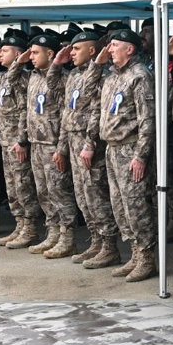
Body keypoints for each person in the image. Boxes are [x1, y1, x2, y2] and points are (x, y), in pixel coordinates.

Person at [99, 28, 157, 282]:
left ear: (129, 49)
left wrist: (141, 155)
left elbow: (147, 118)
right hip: (112, 148)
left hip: (130, 149)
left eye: (114, 45)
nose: (109, 50)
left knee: (136, 205)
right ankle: (134, 252)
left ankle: (147, 257)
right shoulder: (112, 77)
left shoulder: (140, 75)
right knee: (120, 205)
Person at [57, 28, 119, 266]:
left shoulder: (103, 77)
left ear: (92, 51)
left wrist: (90, 142)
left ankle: (109, 246)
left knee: (96, 195)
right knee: (83, 196)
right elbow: (67, 110)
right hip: (73, 141)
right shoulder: (73, 75)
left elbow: (95, 111)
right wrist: (62, 146)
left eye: (76, 49)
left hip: (88, 143)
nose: (71, 53)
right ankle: (95, 242)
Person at [0, 30, 44, 246]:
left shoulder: (24, 78)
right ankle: (20, 225)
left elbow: (26, 112)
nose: (0, 54)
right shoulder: (0, 78)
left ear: (19, 54)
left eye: (4, 51)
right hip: (5, 142)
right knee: (12, 188)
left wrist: (22, 140)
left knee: (24, 186)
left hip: (18, 142)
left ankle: (30, 229)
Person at [23, 30, 81, 259]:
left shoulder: (63, 79)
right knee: (44, 192)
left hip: (53, 143)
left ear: (50, 53)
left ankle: (67, 239)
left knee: (60, 191)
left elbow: (68, 114)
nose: (31, 57)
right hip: (36, 142)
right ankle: (53, 233)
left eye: (36, 53)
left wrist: (61, 148)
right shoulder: (34, 76)